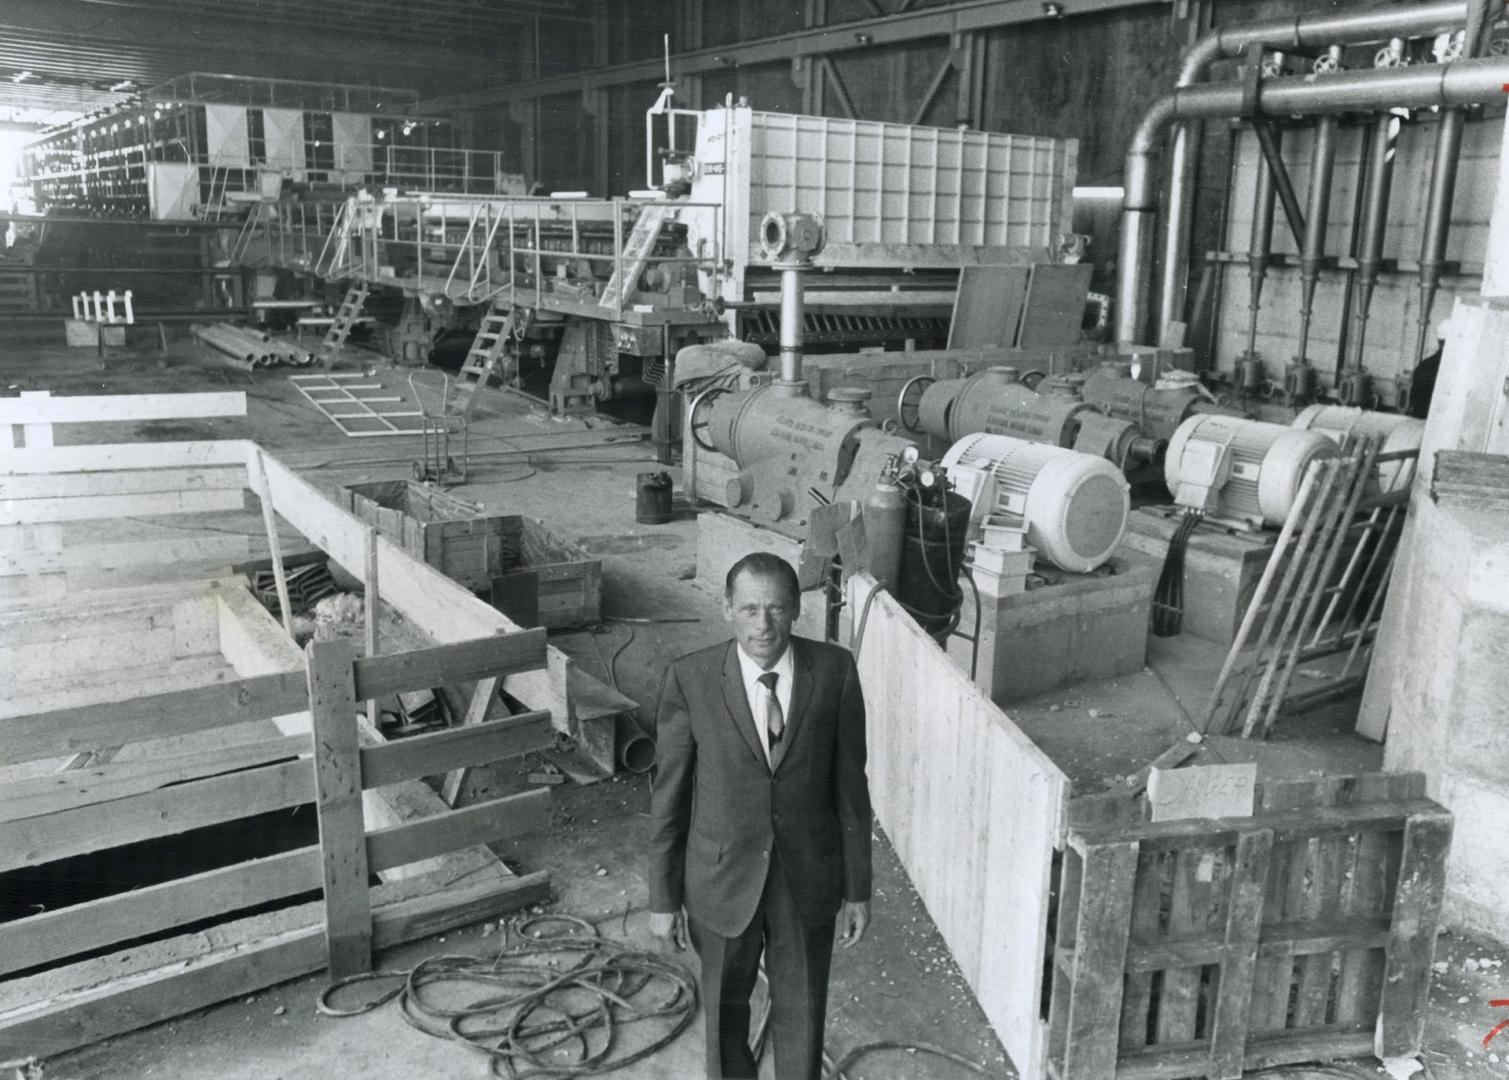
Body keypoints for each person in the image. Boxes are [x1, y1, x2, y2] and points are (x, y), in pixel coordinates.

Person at [647, 552, 872, 1080]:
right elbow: (669, 799)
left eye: (775, 609)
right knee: (725, 1015)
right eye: (749, 609)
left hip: (807, 881)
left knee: (803, 1015)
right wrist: (664, 897)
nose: (762, 625)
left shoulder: (835, 672)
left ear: (796, 609)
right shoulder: (692, 679)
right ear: (727, 608)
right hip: (720, 882)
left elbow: (851, 791)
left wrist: (857, 887)